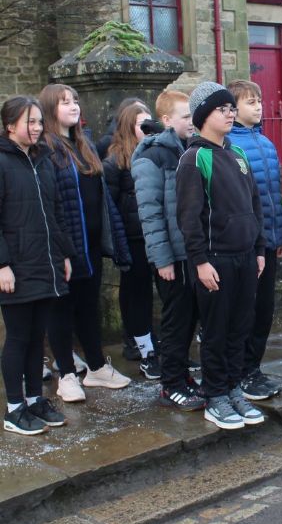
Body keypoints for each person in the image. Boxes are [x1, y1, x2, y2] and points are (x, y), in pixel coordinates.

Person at [176, 81, 266, 429]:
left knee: (239, 328)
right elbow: (189, 218)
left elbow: (253, 205)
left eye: (232, 108)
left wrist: (259, 249)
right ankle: (215, 395)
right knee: (216, 330)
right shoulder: (195, 157)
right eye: (222, 109)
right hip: (216, 261)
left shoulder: (238, 154)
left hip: (246, 257)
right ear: (202, 117)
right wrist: (200, 262)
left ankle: (232, 389)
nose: (230, 114)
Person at [40, 83, 132, 402]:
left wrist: (114, 238)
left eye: (76, 101)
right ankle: (65, 374)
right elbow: (49, 204)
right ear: (51, 108)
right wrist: (61, 248)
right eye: (65, 102)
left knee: (88, 309)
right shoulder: (46, 148)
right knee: (62, 311)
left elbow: (102, 197)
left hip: (91, 244)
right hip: (66, 246)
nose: (74, 106)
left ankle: (95, 367)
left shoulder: (85, 144)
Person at [0, 96, 73, 434]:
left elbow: (54, 213)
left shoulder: (42, 160)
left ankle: (34, 399)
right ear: (10, 125)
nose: (36, 128)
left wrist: (64, 255)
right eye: (29, 122)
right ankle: (14, 408)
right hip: (16, 265)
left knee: (36, 337)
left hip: (45, 263)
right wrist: (2, 265)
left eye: (39, 122)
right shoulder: (2, 161)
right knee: (18, 337)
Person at [132, 89, 204, 411]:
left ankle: (182, 377)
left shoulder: (189, 149)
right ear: (166, 119)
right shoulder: (151, 155)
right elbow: (150, 212)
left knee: (191, 319)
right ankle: (170, 385)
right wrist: (162, 259)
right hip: (171, 258)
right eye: (186, 116)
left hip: (191, 253)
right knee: (175, 322)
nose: (192, 121)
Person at [227, 80, 282, 400]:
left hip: (270, 240)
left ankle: (254, 368)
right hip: (247, 244)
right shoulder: (229, 145)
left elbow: (274, 195)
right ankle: (240, 372)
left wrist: (280, 235)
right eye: (251, 102)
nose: (259, 106)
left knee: (264, 311)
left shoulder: (266, 142)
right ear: (233, 110)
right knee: (246, 312)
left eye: (259, 100)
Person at [104, 100, 160, 379]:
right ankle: (137, 344)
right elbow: (111, 205)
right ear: (128, 127)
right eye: (141, 123)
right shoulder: (115, 161)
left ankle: (147, 340)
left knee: (151, 294)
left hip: (153, 236)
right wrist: (119, 242)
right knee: (134, 292)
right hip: (133, 238)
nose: (148, 127)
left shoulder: (154, 153)